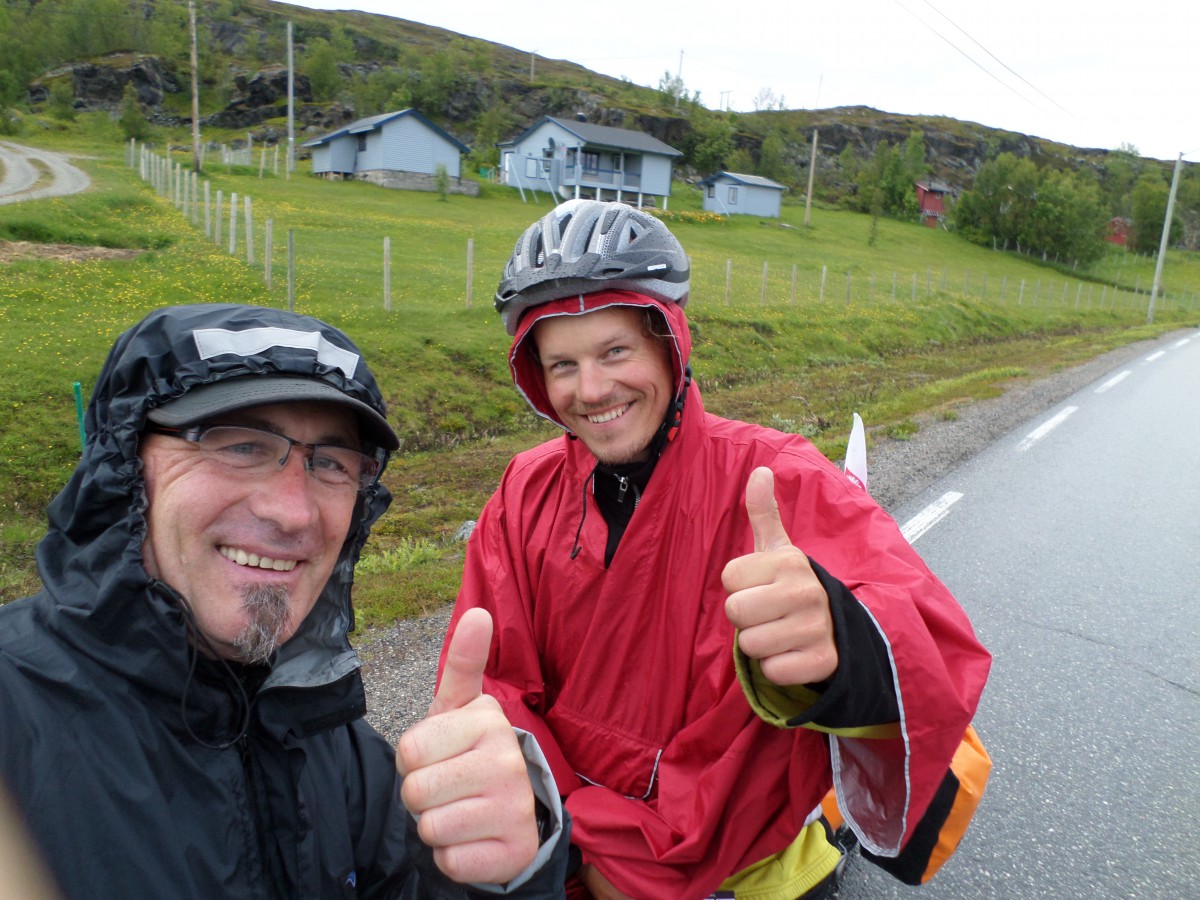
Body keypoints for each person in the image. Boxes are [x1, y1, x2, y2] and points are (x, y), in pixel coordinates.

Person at [444, 199, 992, 899]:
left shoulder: (781, 478)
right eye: (562, 364)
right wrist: (568, 845)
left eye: (615, 352)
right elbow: (495, 685)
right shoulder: (525, 491)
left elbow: (927, 645)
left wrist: (841, 642)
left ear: (669, 343)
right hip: (569, 863)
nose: (592, 389)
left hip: (749, 874)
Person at [0, 303, 569, 899]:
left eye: (331, 463)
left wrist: (499, 877)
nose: (293, 512)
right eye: (239, 446)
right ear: (123, 468)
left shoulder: (327, 738)